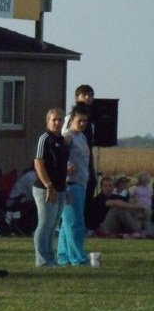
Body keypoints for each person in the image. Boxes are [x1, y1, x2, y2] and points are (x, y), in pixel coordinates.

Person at [33, 108, 71, 267]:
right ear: (48, 121)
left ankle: (50, 258)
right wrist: (48, 186)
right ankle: (42, 260)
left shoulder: (62, 141)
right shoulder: (45, 139)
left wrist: (66, 188)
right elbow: (38, 164)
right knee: (45, 224)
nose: (57, 122)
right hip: (45, 188)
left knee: (53, 225)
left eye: (60, 120)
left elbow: (62, 167)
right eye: (54, 120)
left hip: (60, 188)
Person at [57, 104, 91, 266]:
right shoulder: (67, 137)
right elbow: (56, 156)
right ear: (71, 119)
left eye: (85, 121)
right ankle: (78, 258)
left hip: (81, 184)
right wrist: (64, 169)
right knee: (75, 223)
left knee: (67, 224)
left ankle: (64, 256)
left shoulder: (82, 137)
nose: (82, 124)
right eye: (79, 120)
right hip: (71, 184)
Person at [64, 85, 97, 223]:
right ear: (77, 97)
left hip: (83, 167)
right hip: (72, 176)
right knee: (73, 219)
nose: (88, 98)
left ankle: (87, 222)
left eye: (90, 95)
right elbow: (61, 145)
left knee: (91, 186)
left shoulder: (88, 126)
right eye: (84, 95)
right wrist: (65, 166)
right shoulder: (69, 120)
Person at [5, 165, 37, 234]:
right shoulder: (31, 176)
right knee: (39, 206)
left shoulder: (34, 175)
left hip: (24, 202)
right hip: (14, 202)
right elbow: (36, 195)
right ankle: (33, 230)